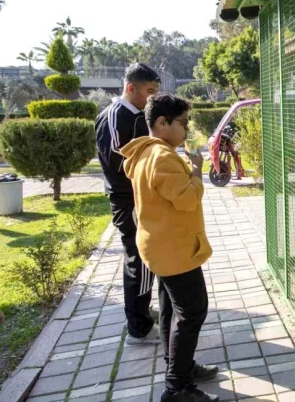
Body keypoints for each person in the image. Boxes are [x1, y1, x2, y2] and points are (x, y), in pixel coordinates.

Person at [120, 93, 219, 402]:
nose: (186, 129)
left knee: (169, 311)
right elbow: (188, 199)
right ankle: (177, 387)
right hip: (175, 251)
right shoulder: (161, 156)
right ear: (161, 123)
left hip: (159, 247)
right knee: (192, 313)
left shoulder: (147, 152)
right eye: (182, 123)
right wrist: (196, 170)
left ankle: (180, 365)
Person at [95, 63, 161, 345]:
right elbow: (117, 163)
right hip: (128, 201)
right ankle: (139, 328)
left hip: (142, 198)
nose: (152, 98)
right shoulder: (114, 116)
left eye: (156, 92)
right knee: (140, 260)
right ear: (131, 87)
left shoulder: (138, 115)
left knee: (146, 258)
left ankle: (142, 312)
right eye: (149, 91)